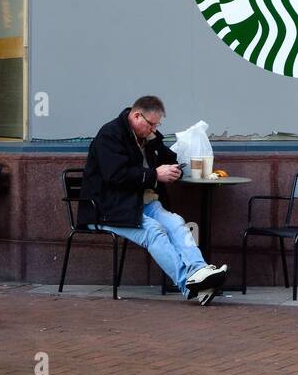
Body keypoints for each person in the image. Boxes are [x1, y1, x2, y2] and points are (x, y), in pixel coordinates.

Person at [78, 95, 226, 303]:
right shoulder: (109, 135)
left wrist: (175, 170)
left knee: (176, 222)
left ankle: (199, 271)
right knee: (154, 231)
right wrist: (156, 175)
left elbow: (169, 160)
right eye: (151, 124)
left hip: (140, 203)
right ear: (137, 116)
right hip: (108, 207)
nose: (154, 129)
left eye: (157, 125)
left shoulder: (149, 137)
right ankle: (189, 284)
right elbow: (116, 175)